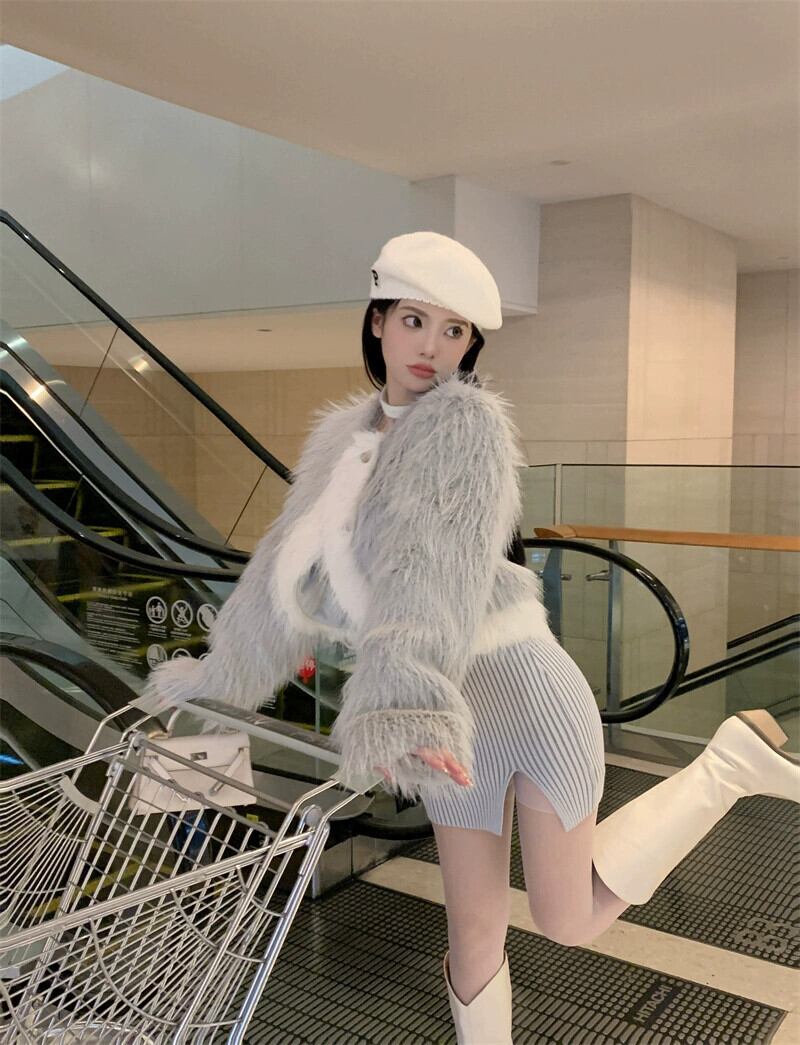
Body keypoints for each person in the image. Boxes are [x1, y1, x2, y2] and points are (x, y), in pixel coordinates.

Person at [140, 230, 800, 1045]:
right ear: (378, 320)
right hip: (450, 720)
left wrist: (402, 709)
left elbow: (430, 576)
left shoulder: (466, 429)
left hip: (523, 693)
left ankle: (724, 767)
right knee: (474, 931)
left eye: (454, 330)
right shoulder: (342, 443)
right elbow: (285, 567)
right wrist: (220, 674)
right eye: (415, 320)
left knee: (566, 918)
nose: (432, 346)